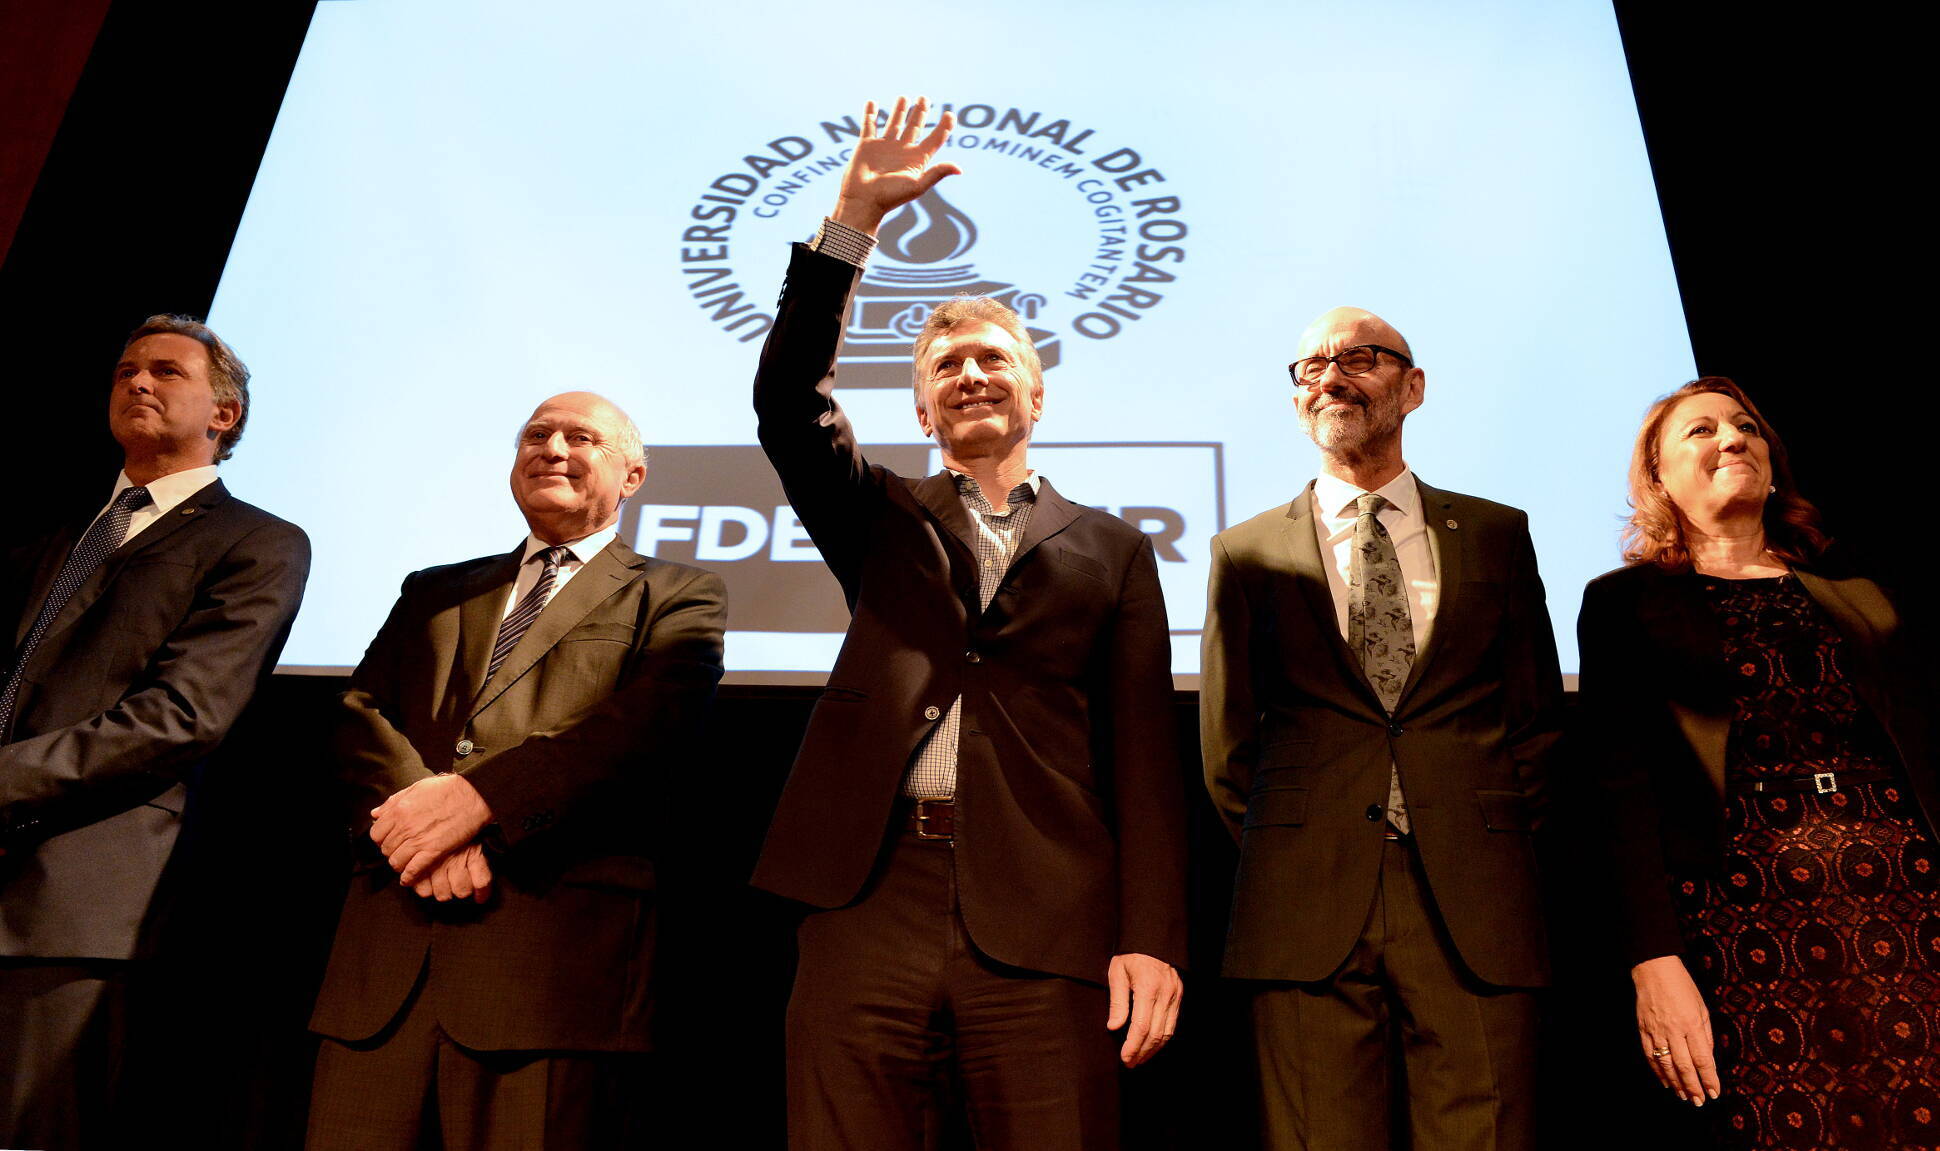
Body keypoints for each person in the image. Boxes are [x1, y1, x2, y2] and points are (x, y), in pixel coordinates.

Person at [749, 97, 1187, 1150]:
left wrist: (1151, 938)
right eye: (946, 367)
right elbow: (785, 400)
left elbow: (1144, 758)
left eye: (993, 360)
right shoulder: (881, 515)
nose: (970, 373)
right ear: (921, 412)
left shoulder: (1114, 549)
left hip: (1044, 914)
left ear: (1032, 396)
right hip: (869, 898)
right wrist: (852, 214)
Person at [305, 391, 726, 1148]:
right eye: (536, 434)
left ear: (633, 475)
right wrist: (425, 825)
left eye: (580, 437)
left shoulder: (678, 594)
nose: (553, 448)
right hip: (387, 960)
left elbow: (634, 735)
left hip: (545, 967)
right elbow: (358, 711)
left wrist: (479, 806)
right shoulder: (434, 588)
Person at [1201, 309, 1564, 1149]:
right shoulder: (1243, 550)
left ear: (1413, 385)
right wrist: (1298, 847)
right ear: (1298, 402)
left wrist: (1480, 836)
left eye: (1359, 358)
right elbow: (1229, 750)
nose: (1332, 376)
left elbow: (1536, 720)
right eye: (1311, 368)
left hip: (1475, 900)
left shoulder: (1499, 534)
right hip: (1304, 909)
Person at [1576, 377, 1939, 1149]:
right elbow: (1620, 795)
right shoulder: (1624, 604)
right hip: (1747, 927)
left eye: (1745, 427)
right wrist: (1653, 959)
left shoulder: (1862, 590)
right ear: (1658, 479)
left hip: (1909, 902)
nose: (1733, 438)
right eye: (1700, 431)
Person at [0, 315, 311, 1149]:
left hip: (74, 901)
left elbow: (184, 715)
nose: (138, 382)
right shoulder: (48, 544)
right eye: (126, 370)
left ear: (224, 413)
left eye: (166, 371)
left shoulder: (257, 543)